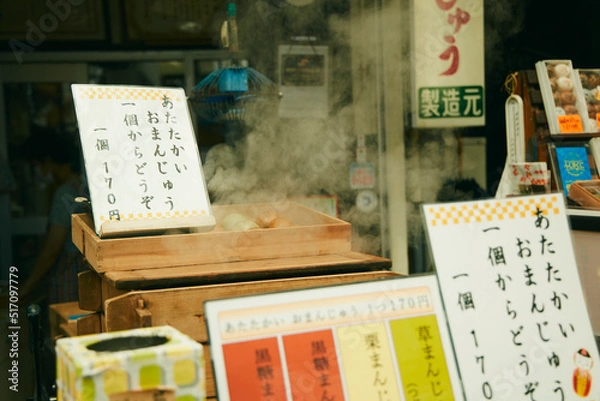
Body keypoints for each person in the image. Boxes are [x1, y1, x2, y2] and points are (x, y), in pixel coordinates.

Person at [20, 127, 89, 305]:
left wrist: (27, 287)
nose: (37, 172)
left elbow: (52, 249)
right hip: (87, 276)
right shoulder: (83, 187)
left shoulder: (64, 193)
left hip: (70, 278)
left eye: (36, 165)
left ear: (48, 161)